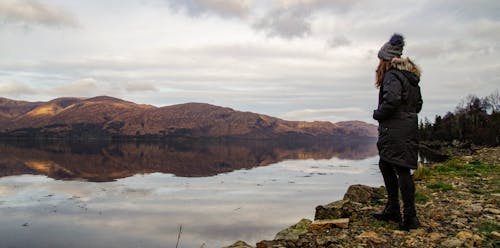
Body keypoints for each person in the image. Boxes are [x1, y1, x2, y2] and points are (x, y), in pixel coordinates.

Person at [371, 33, 423, 231]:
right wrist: (406, 115)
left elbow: (391, 100)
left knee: (400, 169)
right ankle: (393, 209)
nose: (378, 65)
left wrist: (378, 114)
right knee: (386, 164)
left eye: (380, 60)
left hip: (395, 128)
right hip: (407, 126)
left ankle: (410, 218)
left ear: (387, 59)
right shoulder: (411, 77)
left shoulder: (392, 75)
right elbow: (418, 104)